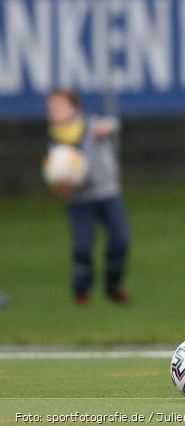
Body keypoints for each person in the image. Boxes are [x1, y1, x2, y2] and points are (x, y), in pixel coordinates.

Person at [46, 89, 132, 306]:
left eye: (59, 107)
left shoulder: (90, 126)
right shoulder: (55, 140)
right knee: (83, 247)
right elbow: (57, 176)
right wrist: (62, 186)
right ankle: (81, 290)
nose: (54, 112)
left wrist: (105, 128)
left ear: (75, 108)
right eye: (51, 108)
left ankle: (113, 285)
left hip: (107, 193)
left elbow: (114, 125)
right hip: (79, 200)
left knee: (121, 239)